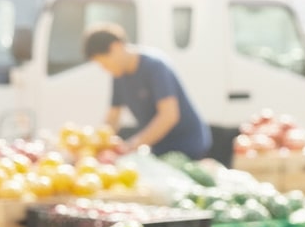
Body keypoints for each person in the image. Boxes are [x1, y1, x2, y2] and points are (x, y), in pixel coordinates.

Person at [84, 22, 211, 159]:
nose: (104, 68)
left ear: (116, 47)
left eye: (104, 63)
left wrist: (131, 145)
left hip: (186, 146)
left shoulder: (155, 66)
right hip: (159, 147)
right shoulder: (119, 76)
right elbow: (113, 118)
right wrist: (97, 145)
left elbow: (169, 116)